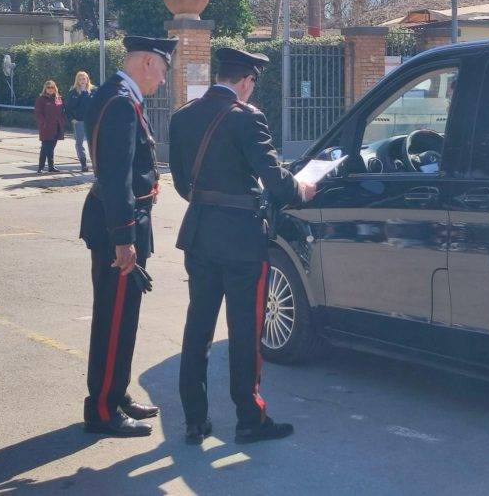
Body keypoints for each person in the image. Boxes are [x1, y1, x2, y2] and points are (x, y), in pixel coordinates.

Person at [169, 47, 317, 446]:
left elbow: (183, 183)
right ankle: (249, 418)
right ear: (247, 81)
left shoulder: (182, 116)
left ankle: (194, 420)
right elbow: (275, 180)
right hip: (241, 240)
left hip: (199, 234)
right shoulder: (247, 118)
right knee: (244, 331)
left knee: (197, 328)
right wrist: (302, 189)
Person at [80, 35, 177, 437]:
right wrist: (124, 238)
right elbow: (116, 176)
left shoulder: (120, 95)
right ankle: (102, 409)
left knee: (124, 316)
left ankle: (115, 393)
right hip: (118, 227)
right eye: (165, 71)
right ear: (149, 62)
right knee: (114, 317)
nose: (164, 82)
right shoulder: (120, 101)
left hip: (124, 222)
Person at [64, 71, 95, 172]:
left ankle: (95, 164)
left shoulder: (93, 91)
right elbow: (67, 108)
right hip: (79, 122)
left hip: (91, 122)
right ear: (77, 80)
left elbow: (99, 105)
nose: (82, 81)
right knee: (79, 143)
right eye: (80, 79)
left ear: (87, 79)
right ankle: (83, 164)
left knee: (93, 143)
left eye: (84, 79)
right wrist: (72, 119)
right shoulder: (73, 92)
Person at [34, 80, 65, 173]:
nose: (50, 89)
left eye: (52, 87)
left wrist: (62, 121)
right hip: (46, 128)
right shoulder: (41, 99)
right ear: (45, 89)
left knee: (52, 147)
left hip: (57, 127)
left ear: (55, 88)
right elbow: (38, 113)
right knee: (45, 147)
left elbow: (62, 111)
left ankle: (51, 167)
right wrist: (44, 123)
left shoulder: (58, 98)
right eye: (48, 87)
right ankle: (41, 167)